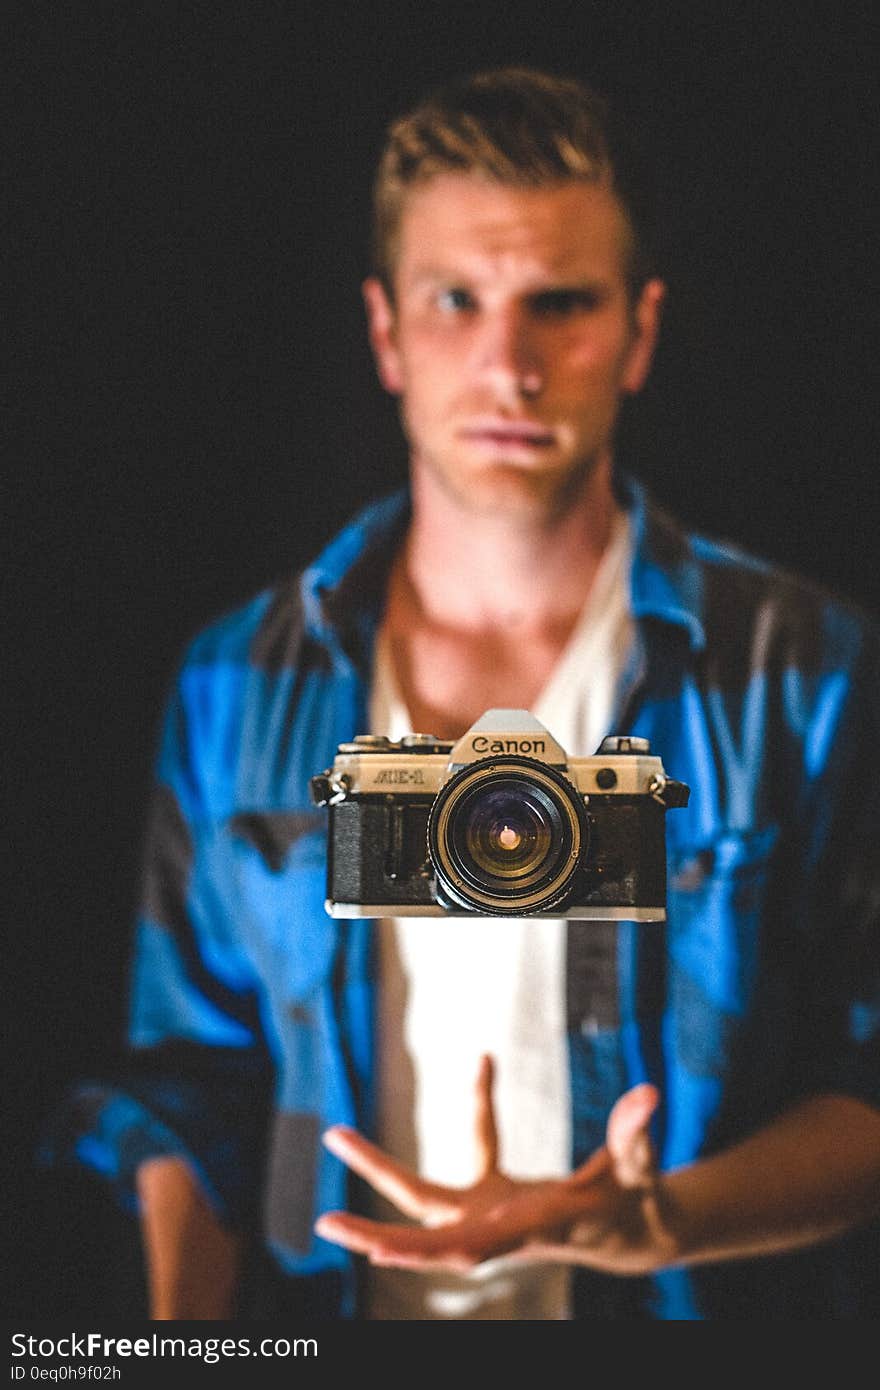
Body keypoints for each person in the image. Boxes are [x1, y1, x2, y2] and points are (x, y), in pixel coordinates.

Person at [43, 67, 880, 1321]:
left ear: (640, 332)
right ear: (385, 333)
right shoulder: (237, 678)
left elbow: (864, 1077)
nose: (508, 364)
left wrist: (660, 1223)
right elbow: (188, 1082)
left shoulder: (798, 668)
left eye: (561, 304)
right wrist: (184, 1338)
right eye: (456, 301)